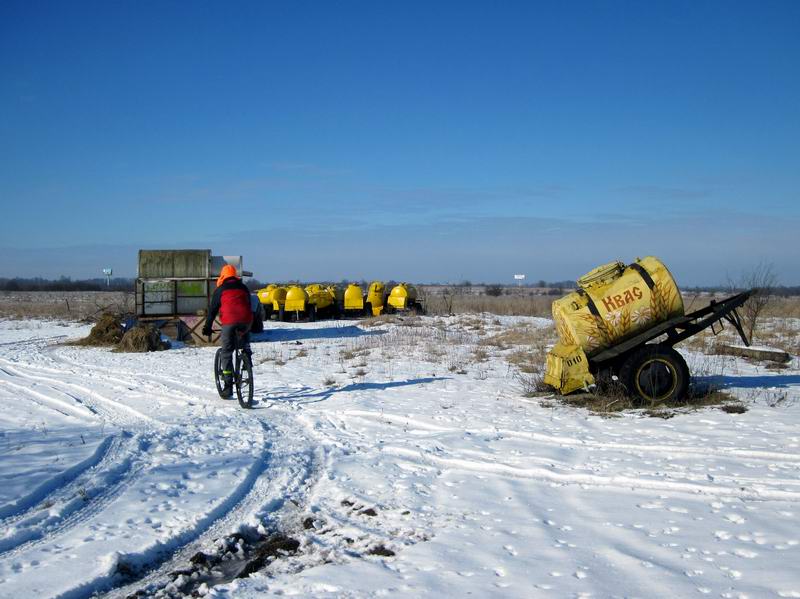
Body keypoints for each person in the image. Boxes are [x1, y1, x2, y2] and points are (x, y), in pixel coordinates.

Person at [202, 264, 253, 398]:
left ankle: (228, 386)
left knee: (226, 352)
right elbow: (250, 305)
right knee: (244, 335)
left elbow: (212, 310)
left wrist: (207, 327)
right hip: (246, 320)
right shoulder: (243, 287)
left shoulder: (220, 289)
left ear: (223, 276)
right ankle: (246, 353)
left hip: (229, 322)